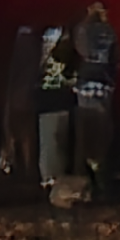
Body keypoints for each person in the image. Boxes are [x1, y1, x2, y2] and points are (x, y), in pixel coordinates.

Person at [73, 1, 120, 190]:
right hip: (104, 83)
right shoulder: (110, 32)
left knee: (84, 126)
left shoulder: (83, 30)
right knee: (102, 125)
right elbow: (117, 60)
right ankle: (100, 167)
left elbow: (78, 47)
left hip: (85, 82)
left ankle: (82, 169)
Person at [36, 26, 76, 189]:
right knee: (58, 141)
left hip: (48, 103)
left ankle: (50, 176)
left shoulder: (41, 58)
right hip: (59, 102)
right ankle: (53, 176)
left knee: (50, 141)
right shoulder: (66, 56)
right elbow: (70, 78)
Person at [1, 25, 41, 176]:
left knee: (14, 131)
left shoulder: (18, 55)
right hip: (30, 97)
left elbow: (12, 75)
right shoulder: (36, 51)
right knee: (26, 134)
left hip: (17, 97)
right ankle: (27, 165)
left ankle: (13, 163)